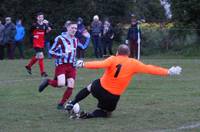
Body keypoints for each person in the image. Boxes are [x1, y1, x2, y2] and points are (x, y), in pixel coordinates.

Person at [65, 44, 182, 119]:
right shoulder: (134, 63)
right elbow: (150, 69)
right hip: (112, 96)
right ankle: (87, 115)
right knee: (107, 113)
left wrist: (83, 64)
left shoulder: (112, 58)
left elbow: (99, 64)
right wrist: (168, 71)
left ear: (117, 52)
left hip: (99, 87)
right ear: (129, 54)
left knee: (90, 87)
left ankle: (72, 102)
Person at [38, 21, 90, 110]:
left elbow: (83, 47)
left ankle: (61, 104)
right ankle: (48, 82)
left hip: (72, 66)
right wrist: (61, 55)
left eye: (75, 28)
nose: (74, 30)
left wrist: (88, 38)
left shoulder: (76, 40)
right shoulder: (60, 38)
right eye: (72, 28)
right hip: (61, 65)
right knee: (61, 84)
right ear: (67, 28)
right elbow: (51, 52)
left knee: (71, 85)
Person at [25, 12, 50, 77]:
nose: (41, 18)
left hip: (41, 42)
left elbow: (45, 33)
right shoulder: (34, 25)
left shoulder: (45, 25)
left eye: (42, 17)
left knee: (37, 56)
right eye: (39, 17)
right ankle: (42, 72)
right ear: (37, 18)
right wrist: (33, 36)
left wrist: (48, 29)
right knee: (41, 56)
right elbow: (29, 32)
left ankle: (28, 66)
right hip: (36, 43)